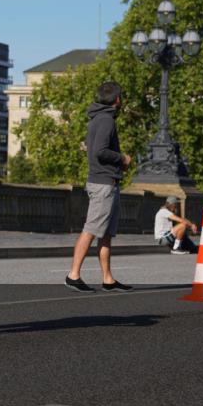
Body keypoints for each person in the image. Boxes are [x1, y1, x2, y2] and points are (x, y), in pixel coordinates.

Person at [65, 81, 134, 293]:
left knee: (105, 234)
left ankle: (108, 279)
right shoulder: (106, 120)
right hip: (103, 183)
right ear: (118, 99)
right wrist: (122, 157)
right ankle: (73, 275)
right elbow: (100, 151)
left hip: (107, 182)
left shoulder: (99, 118)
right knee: (92, 229)